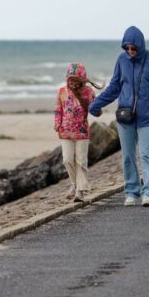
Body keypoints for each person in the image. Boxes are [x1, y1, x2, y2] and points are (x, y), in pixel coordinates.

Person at [89, 26, 149, 208]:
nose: (131, 52)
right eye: (128, 48)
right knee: (127, 157)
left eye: (134, 48)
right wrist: (97, 103)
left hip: (147, 117)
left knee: (146, 155)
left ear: (140, 46)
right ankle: (132, 192)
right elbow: (114, 87)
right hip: (126, 117)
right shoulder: (122, 60)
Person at [54, 63, 102, 203]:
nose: (73, 83)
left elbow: (95, 110)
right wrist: (57, 123)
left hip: (82, 132)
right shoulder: (62, 91)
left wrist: (97, 109)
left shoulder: (88, 92)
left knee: (81, 161)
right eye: (71, 80)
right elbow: (58, 110)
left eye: (76, 80)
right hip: (65, 132)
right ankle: (74, 184)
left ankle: (80, 191)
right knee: (67, 159)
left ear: (82, 80)